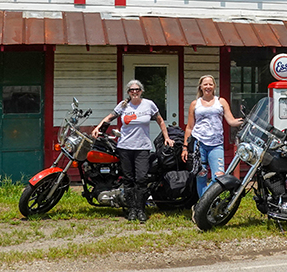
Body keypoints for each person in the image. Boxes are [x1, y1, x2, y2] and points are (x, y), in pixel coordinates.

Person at [92, 80, 172, 222]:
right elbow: (110, 117)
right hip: (125, 147)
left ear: (141, 91)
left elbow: (160, 120)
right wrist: (98, 127)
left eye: (137, 89)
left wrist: (167, 137)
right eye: (131, 90)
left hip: (142, 147)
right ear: (128, 92)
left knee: (141, 179)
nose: (134, 92)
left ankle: (141, 209)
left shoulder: (149, 104)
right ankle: (131, 209)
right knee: (128, 180)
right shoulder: (123, 105)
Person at [184, 75, 243, 197]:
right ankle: (203, 207)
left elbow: (231, 121)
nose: (208, 87)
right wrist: (185, 147)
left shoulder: (220, 102)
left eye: (210, 84)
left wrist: (245, 121)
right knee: (201, 176)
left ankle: (206, 201)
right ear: (201, 86)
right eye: (205, 84)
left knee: (219, 177)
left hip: (216, 144)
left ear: (214, 86)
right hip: (199, 143)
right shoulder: (195, 104)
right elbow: (189, 127)